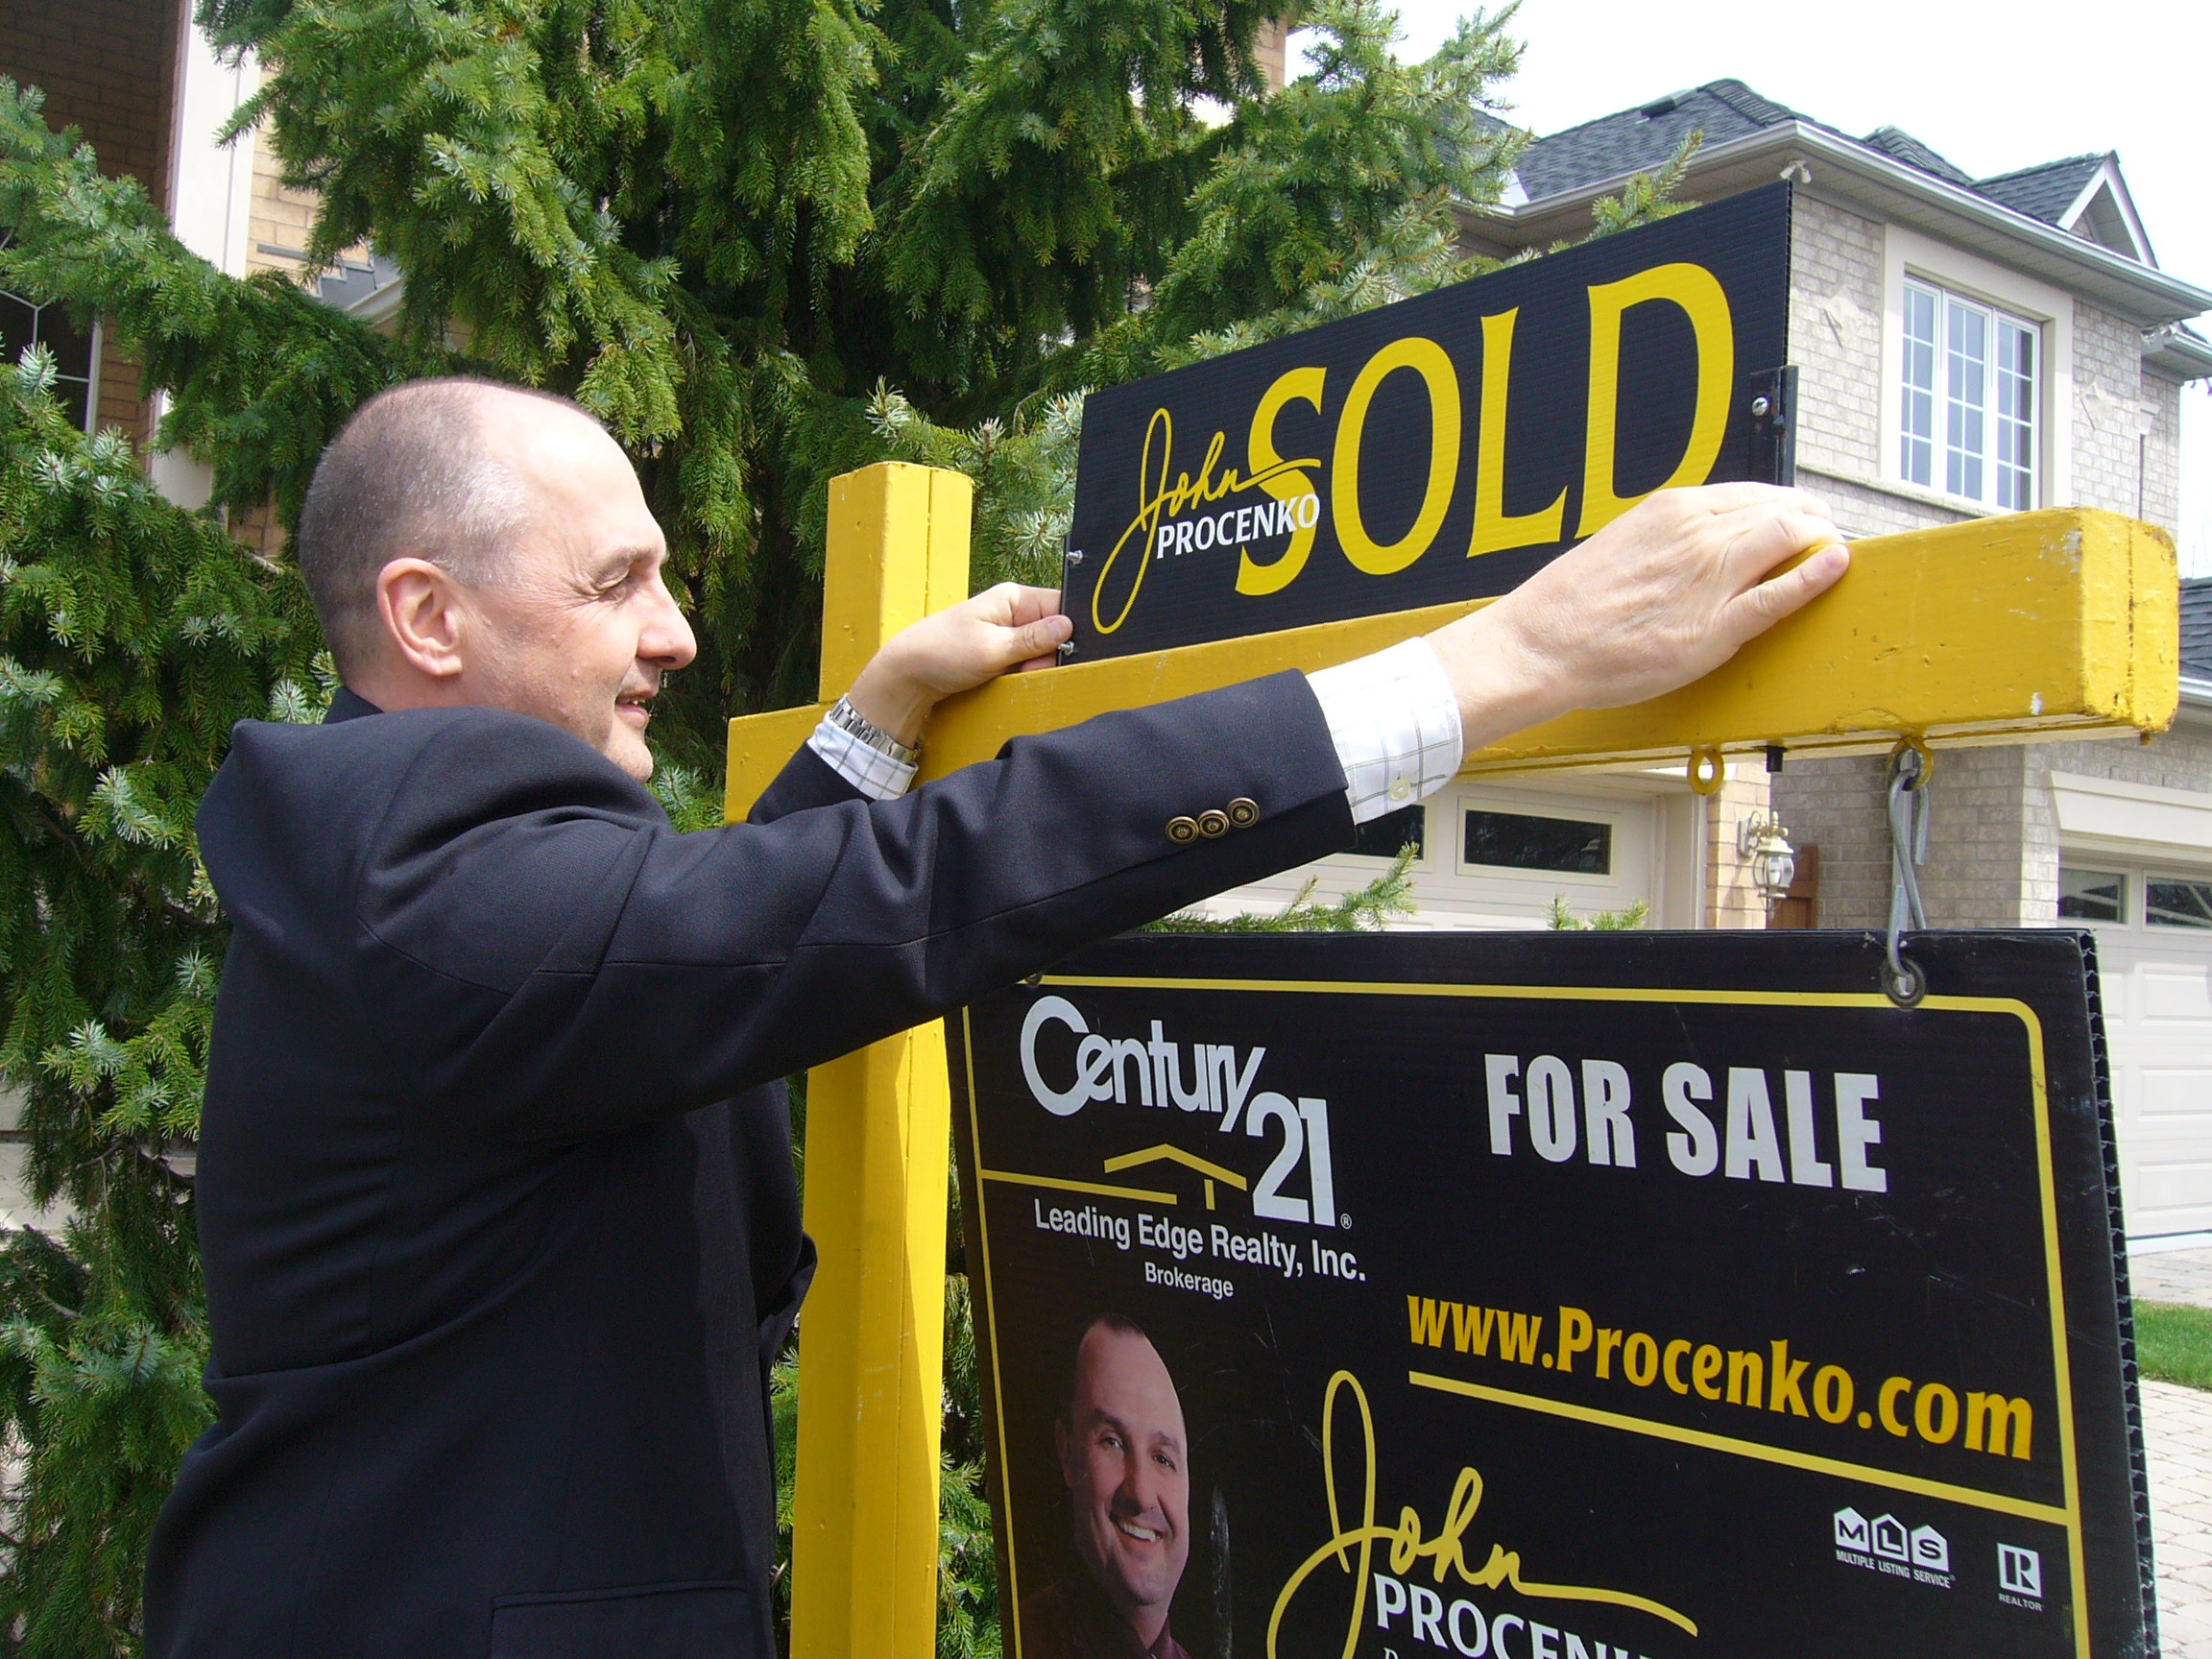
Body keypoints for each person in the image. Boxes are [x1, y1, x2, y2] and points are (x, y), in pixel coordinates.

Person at [141, 376, 1846, 1656]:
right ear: (428, 616)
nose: (669, 631)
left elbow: (687, 958)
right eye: (615, 584)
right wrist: (1501, 666)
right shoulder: (427, 887)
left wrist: (872, 721)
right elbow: (856, 909)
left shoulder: (415, 867)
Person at [1022, 1315, 1195, 1659]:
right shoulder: (1020, 1638)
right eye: (1113, 1442)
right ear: (1067, 1452)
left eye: (1163, 1459)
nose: (1142, 1494)